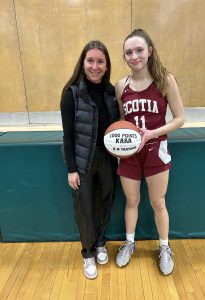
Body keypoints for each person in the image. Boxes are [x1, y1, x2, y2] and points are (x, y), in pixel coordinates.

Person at [115, 29, 184, 275]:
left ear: (150, 51)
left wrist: (152, 134)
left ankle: (164, 247)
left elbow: (180, 118)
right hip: (130, 153)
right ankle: (130, 242)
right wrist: (119, 145)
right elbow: (122, 121)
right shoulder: (121, 85)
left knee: (158, 202)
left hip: (156, 148)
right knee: (132, 200)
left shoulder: (165, 80)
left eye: (139, 50)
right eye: (128, 52)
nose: (134, 56)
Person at [60, 40, 119, 279]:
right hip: (83, 162)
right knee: (84, 209)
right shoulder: (71, 94)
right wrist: (71, 170)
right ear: (83, 64)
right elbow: (67, 135)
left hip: (107, 159)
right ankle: (88, 253)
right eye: (90, 60)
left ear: (106, 65)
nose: (95, 66)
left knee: (105, 201)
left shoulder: (111, 92)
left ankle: (101, 242)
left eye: (100, 61)